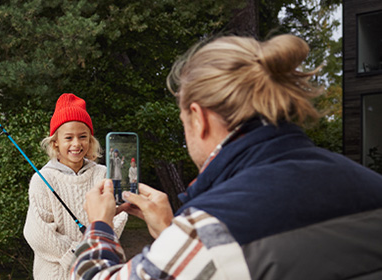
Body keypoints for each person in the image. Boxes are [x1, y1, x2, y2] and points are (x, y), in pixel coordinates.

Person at [70, 34, 382, 279]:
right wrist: (170, 233)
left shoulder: (209, 229)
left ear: (198, 118)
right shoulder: (372, 187)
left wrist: (99, 224)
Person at [23, 93, 128, 279]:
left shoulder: (103, 174)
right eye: (68, 138)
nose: (76, 143)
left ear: (90, 140)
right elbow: (37, 232)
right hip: (55, 274)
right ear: (55, 142)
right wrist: (79, 257)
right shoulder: (42, 179)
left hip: (98, 270)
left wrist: (94, 251)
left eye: (82, 136)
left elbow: (119, 215)